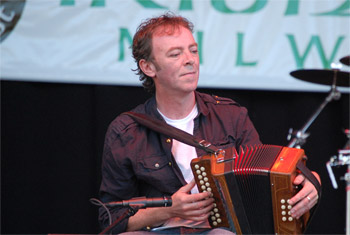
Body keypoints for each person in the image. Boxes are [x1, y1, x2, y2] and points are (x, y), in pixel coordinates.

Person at [98, 13, 320, 234]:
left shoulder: (230, 116)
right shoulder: (126, 131)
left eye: (193, 50)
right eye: (175, 54)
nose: (190, 60)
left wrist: (312, 181)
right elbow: (110, 218)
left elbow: (267, 174)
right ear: (148, 67)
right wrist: (168, 210)